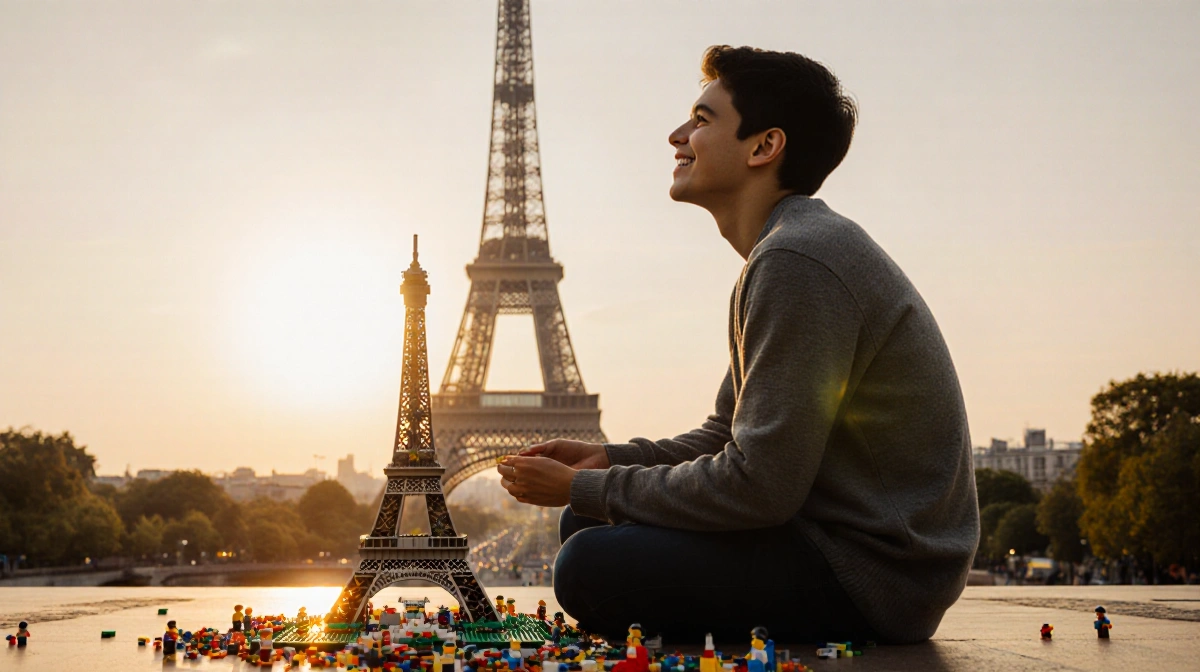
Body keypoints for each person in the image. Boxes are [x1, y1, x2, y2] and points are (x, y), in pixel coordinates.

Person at [496, 45, 978, 645]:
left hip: (872, 576)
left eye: (701, 120)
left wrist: (587, 485)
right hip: (846, 548)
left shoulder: (796, 260)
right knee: (586, 521)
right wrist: (610, 459)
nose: (677, 136)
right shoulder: (792, 247)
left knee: (587, 564)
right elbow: (727, 436)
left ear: (763, 146)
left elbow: (760, 485)